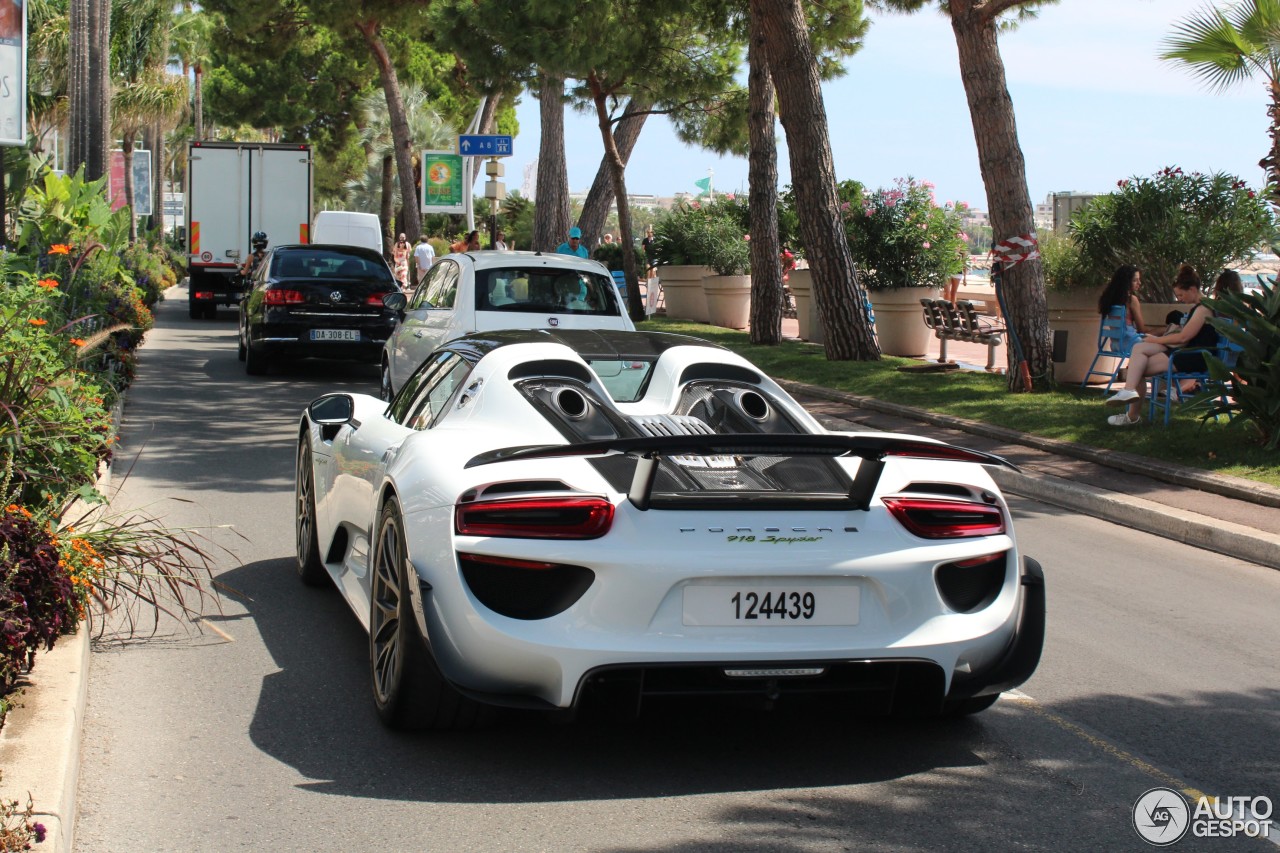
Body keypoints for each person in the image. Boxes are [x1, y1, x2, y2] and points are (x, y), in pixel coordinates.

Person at [1103, 263, 1215, 426]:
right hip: (1186, 351)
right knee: (1139, 349)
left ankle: (1131, 413)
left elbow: (1184, 337)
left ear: (1192, 289)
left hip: (1193, 356)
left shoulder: (1203, 309)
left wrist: (1155, 340)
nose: (1179, 299)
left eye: (1181, 295)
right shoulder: (1200, 308)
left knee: (1137, 369)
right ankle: (1128, 394)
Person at [1097, 264, 1149, 353]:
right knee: (1162, 347)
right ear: (1126, 282)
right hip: (1132, 344)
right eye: (1135, 280)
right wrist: (1163, 331)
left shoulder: (1109, 299)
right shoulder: (1131, 300)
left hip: (1115, 345)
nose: (1139, 283)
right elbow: (1142, 330)